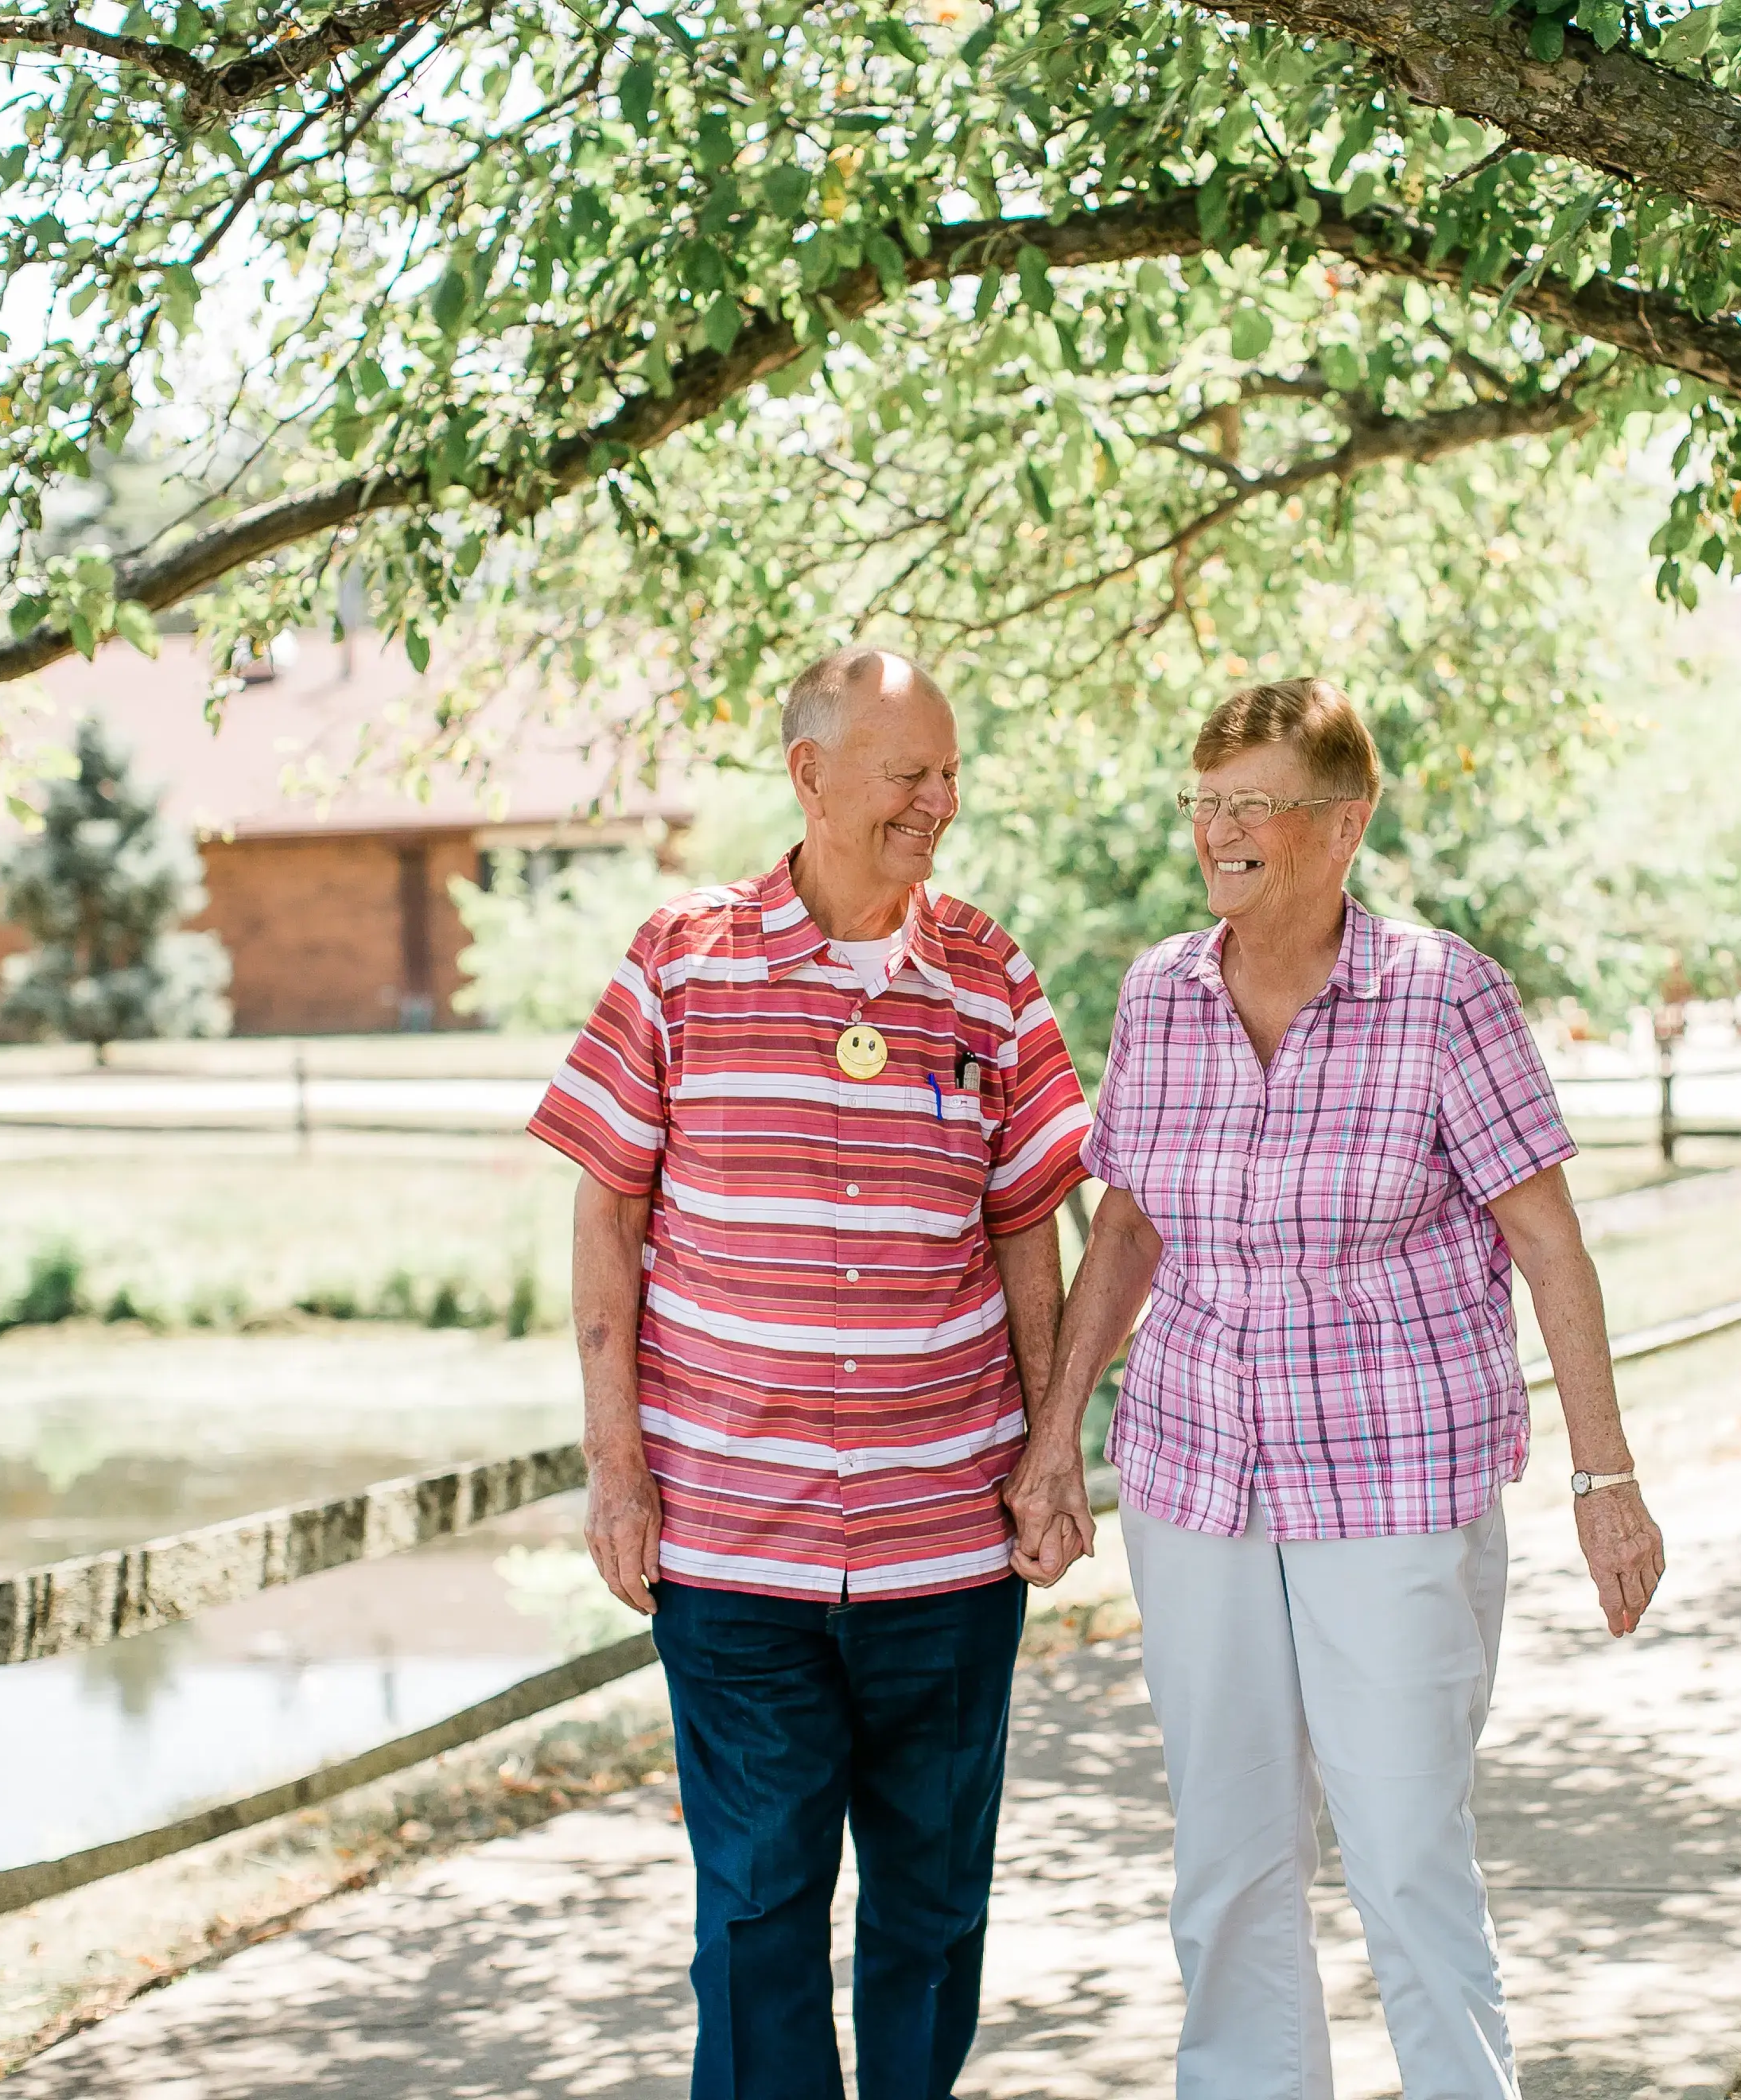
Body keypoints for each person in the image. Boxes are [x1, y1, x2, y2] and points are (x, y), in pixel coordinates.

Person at [1005, 677, 1668, 2100]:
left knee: (1406, 1850)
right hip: (1194, 1479)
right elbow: (1125, 1229)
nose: (1223, 831)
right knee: (1228, 1857)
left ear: (1345, 823)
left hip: (1392, 1480)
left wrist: (1605, 1481)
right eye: (1208, 802)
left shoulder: (1443, 995)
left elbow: (1549, 1245)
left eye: (1258, 803)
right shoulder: (1160, 994)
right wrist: (1058, 1436)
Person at [530, 644, 1092, 2100]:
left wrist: (1050, 1456)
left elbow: (1031, 1222)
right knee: (761, 1914)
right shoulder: (680, 958)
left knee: (931, 1917)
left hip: (945, 1549)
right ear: (810, 773)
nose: (939, 801)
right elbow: (607, 1212)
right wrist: (616, 1469)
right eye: (911, 774)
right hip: (734, 1551)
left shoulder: (989, 972)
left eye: (950, 772)